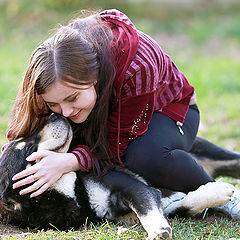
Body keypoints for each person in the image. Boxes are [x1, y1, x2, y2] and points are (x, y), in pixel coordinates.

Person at [2, 9, 240, 219]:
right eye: (54, 104)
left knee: (142, 157)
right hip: (113, 123)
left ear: (94, 79)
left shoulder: (137, 66)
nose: (64, 111)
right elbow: (24, 128)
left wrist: (70, 161)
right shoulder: (50, 68)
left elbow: (117, 148)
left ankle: (224, 195)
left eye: (72, 98)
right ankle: (204, 158)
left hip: (168, 112)